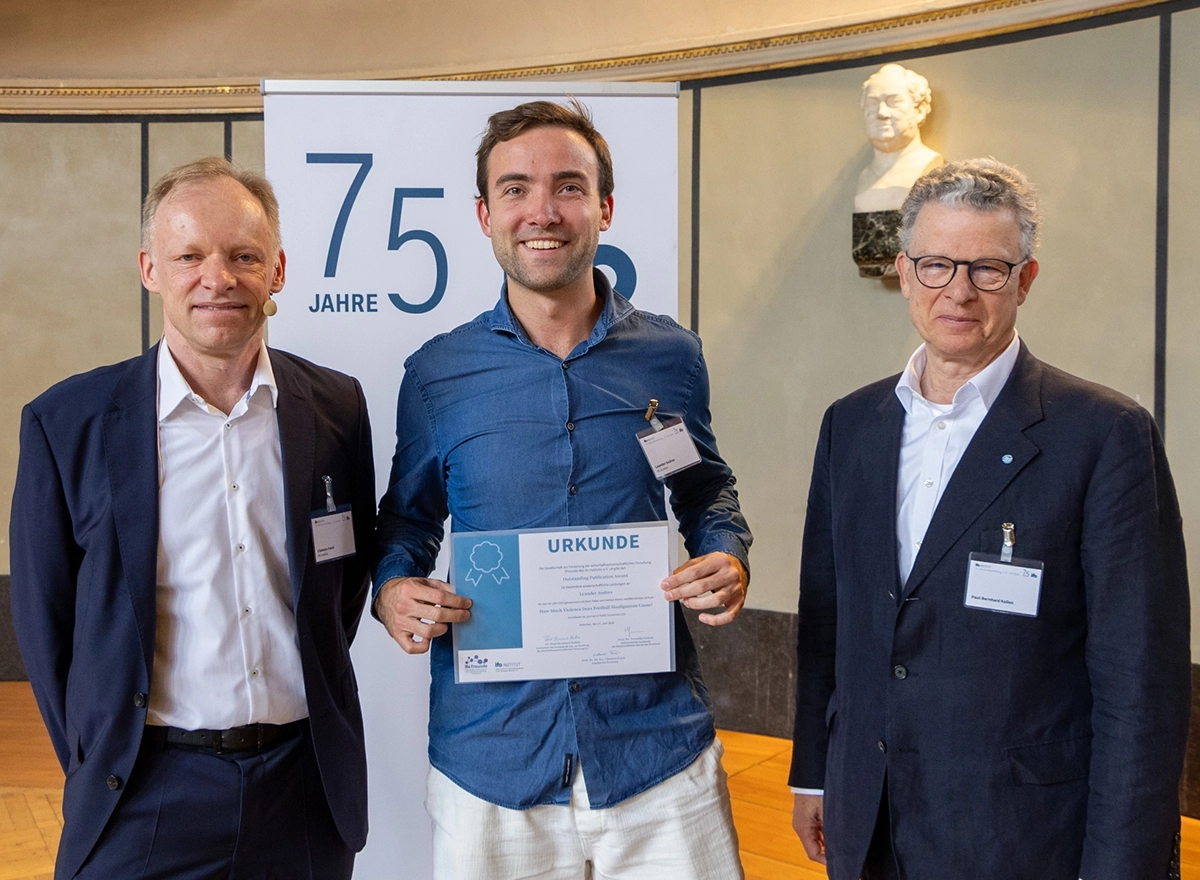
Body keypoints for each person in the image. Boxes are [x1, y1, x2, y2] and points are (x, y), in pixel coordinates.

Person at [373, 99, 753, 879]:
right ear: (484, 214)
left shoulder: (670, 358)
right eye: (514, 189)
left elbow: (703, 487)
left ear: (604, 207)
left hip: (656, 755)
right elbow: (406, 522)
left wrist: (725, 553)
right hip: (493, 760)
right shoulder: (439, 375)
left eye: (568, 186)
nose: (541, 210)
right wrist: (391, 589)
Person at [790, 158, 1190, 880]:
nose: (960, 292)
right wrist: (815, 776)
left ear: (1026, 280)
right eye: (938, 265)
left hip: (1022, 838)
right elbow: (829, 621)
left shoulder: (1103, 435)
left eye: (988, 269)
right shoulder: (850, 424)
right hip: (868, 822)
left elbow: (1142, 687)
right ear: (905, 273)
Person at [9, 157, 376, 880]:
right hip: (142, 793)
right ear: (151, 269)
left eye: (244, 256)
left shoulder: (336, 409)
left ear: (278, 269)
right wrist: (99, 755)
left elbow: (343, 585)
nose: (219, 278)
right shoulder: (67, 422)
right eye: (189, 256)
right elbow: (43, 623)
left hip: (303, 789)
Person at [854, 64, 943, 213]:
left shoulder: (929, 167)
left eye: (893, 101)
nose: (881, 112)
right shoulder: (864, 177)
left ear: (919, 111)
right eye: (872, 103)